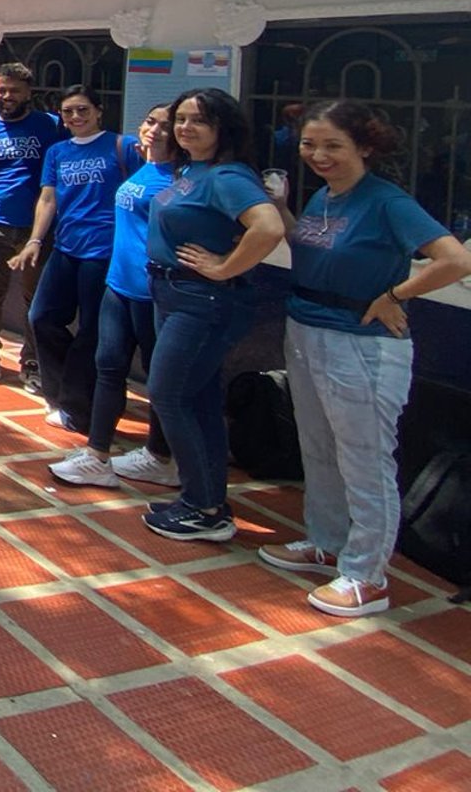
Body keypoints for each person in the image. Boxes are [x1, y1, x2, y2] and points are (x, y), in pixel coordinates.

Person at [258, 100, 471, 617]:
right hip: (306, 330)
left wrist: (396, 296)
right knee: (319, 447)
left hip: (361, 344)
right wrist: (283, 209)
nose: (319, 155)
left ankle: (366, 574)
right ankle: (325, 541)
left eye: (333, 145)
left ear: (364, 147)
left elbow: (454, 259)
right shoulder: (325, 198)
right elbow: (311, 248)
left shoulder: (385, 201)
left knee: (365, 458)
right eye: (310, 144)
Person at [140, 87, 285, 542]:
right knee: (197, 400)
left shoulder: (227, 176)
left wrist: (224, 268)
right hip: (174, 294)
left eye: (198, 121)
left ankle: (203, 508)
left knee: (168, 395)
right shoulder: (193, 170)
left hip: (203, 303)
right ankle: (205, 500)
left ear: (223, 127)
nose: (185, 128)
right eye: (180, 119)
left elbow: (269, 227)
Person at [51, 104, 181, 490]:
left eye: (165, 126)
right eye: (150, 121)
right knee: (108, 367)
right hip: (118, 284)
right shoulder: (146, 166)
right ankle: (97, 455)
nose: (154, 130)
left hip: (151, 292)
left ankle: (161, 455)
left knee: (159, 376)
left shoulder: (182, 178)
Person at [10, 86, 134, 430]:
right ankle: (66, 392)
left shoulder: (123, 147)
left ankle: (80, 407)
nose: (76, 117)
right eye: (68, 112)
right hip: (66, 248)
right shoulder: (58, 152)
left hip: (105, 252)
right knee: (42, 318)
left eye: (82, 110)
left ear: (98, 111)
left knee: (91, 331)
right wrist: (35, 239)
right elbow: (48, 198)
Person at [0, 62, 64, 387]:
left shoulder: (51, 126)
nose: (6, 96)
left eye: (14, 91)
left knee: (35, 299)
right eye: (0, 90)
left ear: (28, 93)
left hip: (35, 230)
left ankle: (31, 363)